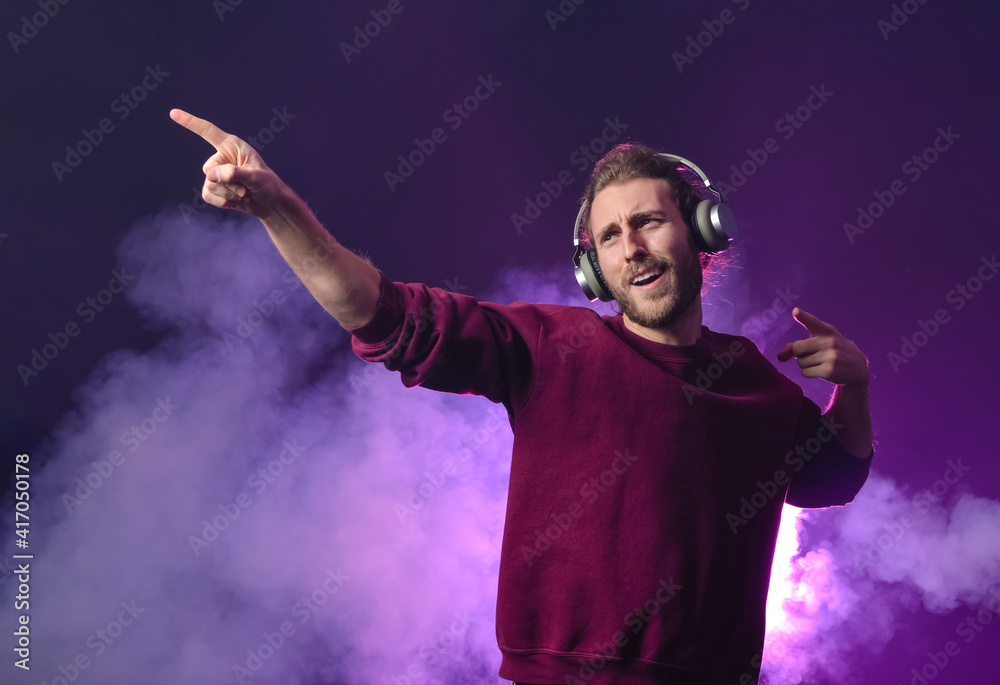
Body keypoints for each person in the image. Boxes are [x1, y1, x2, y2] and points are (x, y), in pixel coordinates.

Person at [171, 109, 873, 685]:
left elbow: (833, 474)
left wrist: (855, 384)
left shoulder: (753, 380)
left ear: (702, 230)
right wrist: (277, 206)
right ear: (593, 268)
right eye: (609, 236)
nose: (631, 247)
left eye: (649, 222)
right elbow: (380, 313)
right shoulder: (552, 345)